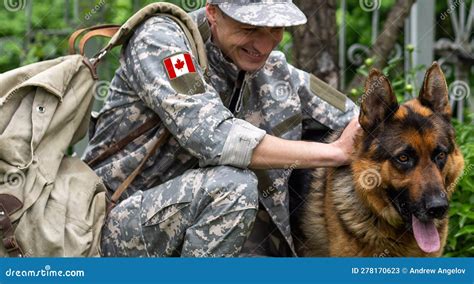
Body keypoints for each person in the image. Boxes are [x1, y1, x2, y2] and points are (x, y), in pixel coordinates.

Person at [83, 0, 360, 257]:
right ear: (213, 12)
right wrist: (334, 152)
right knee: (233, 186)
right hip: (111, 223)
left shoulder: (273, 70)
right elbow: (213, 137)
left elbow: (359, 117)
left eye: (276, 28)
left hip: (200, 225)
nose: (264, 45)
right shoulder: (161, 41)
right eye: (249, 27)